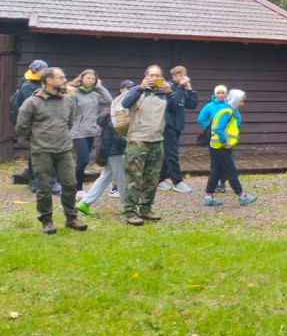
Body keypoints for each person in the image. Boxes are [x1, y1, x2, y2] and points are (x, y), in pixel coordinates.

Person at [15, 67, 88, 234]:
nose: (64, 80)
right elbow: (21, 127)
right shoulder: (32, 102)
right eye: (61, 77)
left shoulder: (67, 101)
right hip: (42, 151)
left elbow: (69, 122)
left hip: (64, 150)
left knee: (70, 184)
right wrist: (37, 139)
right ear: (48, 80)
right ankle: (46, 220)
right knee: (44, 187)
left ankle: (71, 218)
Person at [121, 65, 172, 226]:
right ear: (145, 76)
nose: (154, 78)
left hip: (157, 141)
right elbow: (125, 103)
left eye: (157, 75)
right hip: (137, 140)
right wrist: (140, 87)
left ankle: (145, 208)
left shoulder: (164, 94)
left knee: (152, 178)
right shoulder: (138, 91)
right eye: (151, 75)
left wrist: (170, 92)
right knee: (133, 178)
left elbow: (178, 108)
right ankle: (130, 211)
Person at [76, 80, 133, 215]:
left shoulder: (112, 114)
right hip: (116, 152)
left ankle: (84, 203)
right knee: (121, 179)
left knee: (104, 178)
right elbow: (118, 137)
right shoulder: (118, 116)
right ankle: (127, 206)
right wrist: (130, 140)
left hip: (110, 152)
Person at [203, 89, 258, 207]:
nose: (242, 104)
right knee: (231, 171)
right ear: (236, 100)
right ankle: (242, 196)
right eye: (241, 101)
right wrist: (224, 142)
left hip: (217, 147)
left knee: (216, 171)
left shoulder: (228, 111)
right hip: (221, 147)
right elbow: (218, 128)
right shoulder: (227, 112)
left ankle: (208, 197)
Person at [67, 69, 112, 192]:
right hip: (78, 131)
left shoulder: (95, 94)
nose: (91, 81)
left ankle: (76, 187)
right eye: (88, 78)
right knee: (84, 160)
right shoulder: (74, 92)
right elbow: (70, 109)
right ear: (81, 78)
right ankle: (77, 188)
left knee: (82, 162)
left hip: (91, 131)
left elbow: (108, 100)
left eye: (93, 79)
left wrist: (99, 86)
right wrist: (71, 96)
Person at [157, 66, 198, 193]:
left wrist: (190, 90)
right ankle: (178, 182)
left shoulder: (182, 88)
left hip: (178, 125)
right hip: (168, 125)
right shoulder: (167, 87)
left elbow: (192, 105)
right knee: (173, 154)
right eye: (181, 76)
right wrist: (181, 87)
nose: (184, 78)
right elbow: (172, 103)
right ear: (174, 76)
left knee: (168, 153)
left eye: (185, 75)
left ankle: (159, 179)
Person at [9, 59, 48, 194]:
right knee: (35, 154)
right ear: (37, 71)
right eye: (43, 70)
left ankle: (44, 180)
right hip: (33, 126)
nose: (45, 72)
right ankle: (34, 180)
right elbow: (31, 108)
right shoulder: (28, 86)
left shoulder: (40, 83)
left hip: (42, 126)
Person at [198, 85, 229, 193]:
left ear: (226, 94)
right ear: (215, 94)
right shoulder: (209, 106)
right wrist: (210, 129)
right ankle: (214, 183)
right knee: (215, 161)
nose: (220, 95)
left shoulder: (229, 106)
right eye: (218, 93)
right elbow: (201, 119)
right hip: (213, 138)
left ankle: (223, 183)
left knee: (226, 161)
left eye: (222, 93)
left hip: (227, 137)